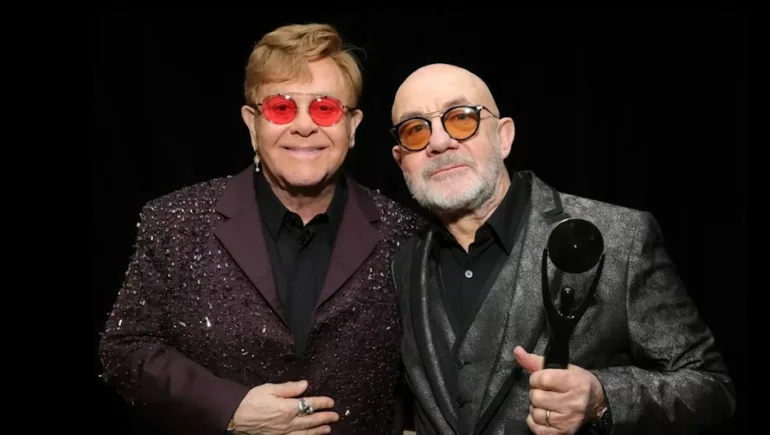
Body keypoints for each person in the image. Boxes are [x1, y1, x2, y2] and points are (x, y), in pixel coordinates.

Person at [98, 23, 424, 435]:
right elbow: (123, 350)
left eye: (324, 108)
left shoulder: (406, 234)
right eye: (281, 108)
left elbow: (427, 379)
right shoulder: (173, 221)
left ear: (352, 125)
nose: (304, 126)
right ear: (252, 123)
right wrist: (230, 408)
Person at [387, 63, 736, 435]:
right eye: (415, 129)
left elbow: (712, 388)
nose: (439, 142)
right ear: (401, 160)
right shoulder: (402, 261)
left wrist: (601, 398)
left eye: (460, 119)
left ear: (503, 137)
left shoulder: (620, 237)